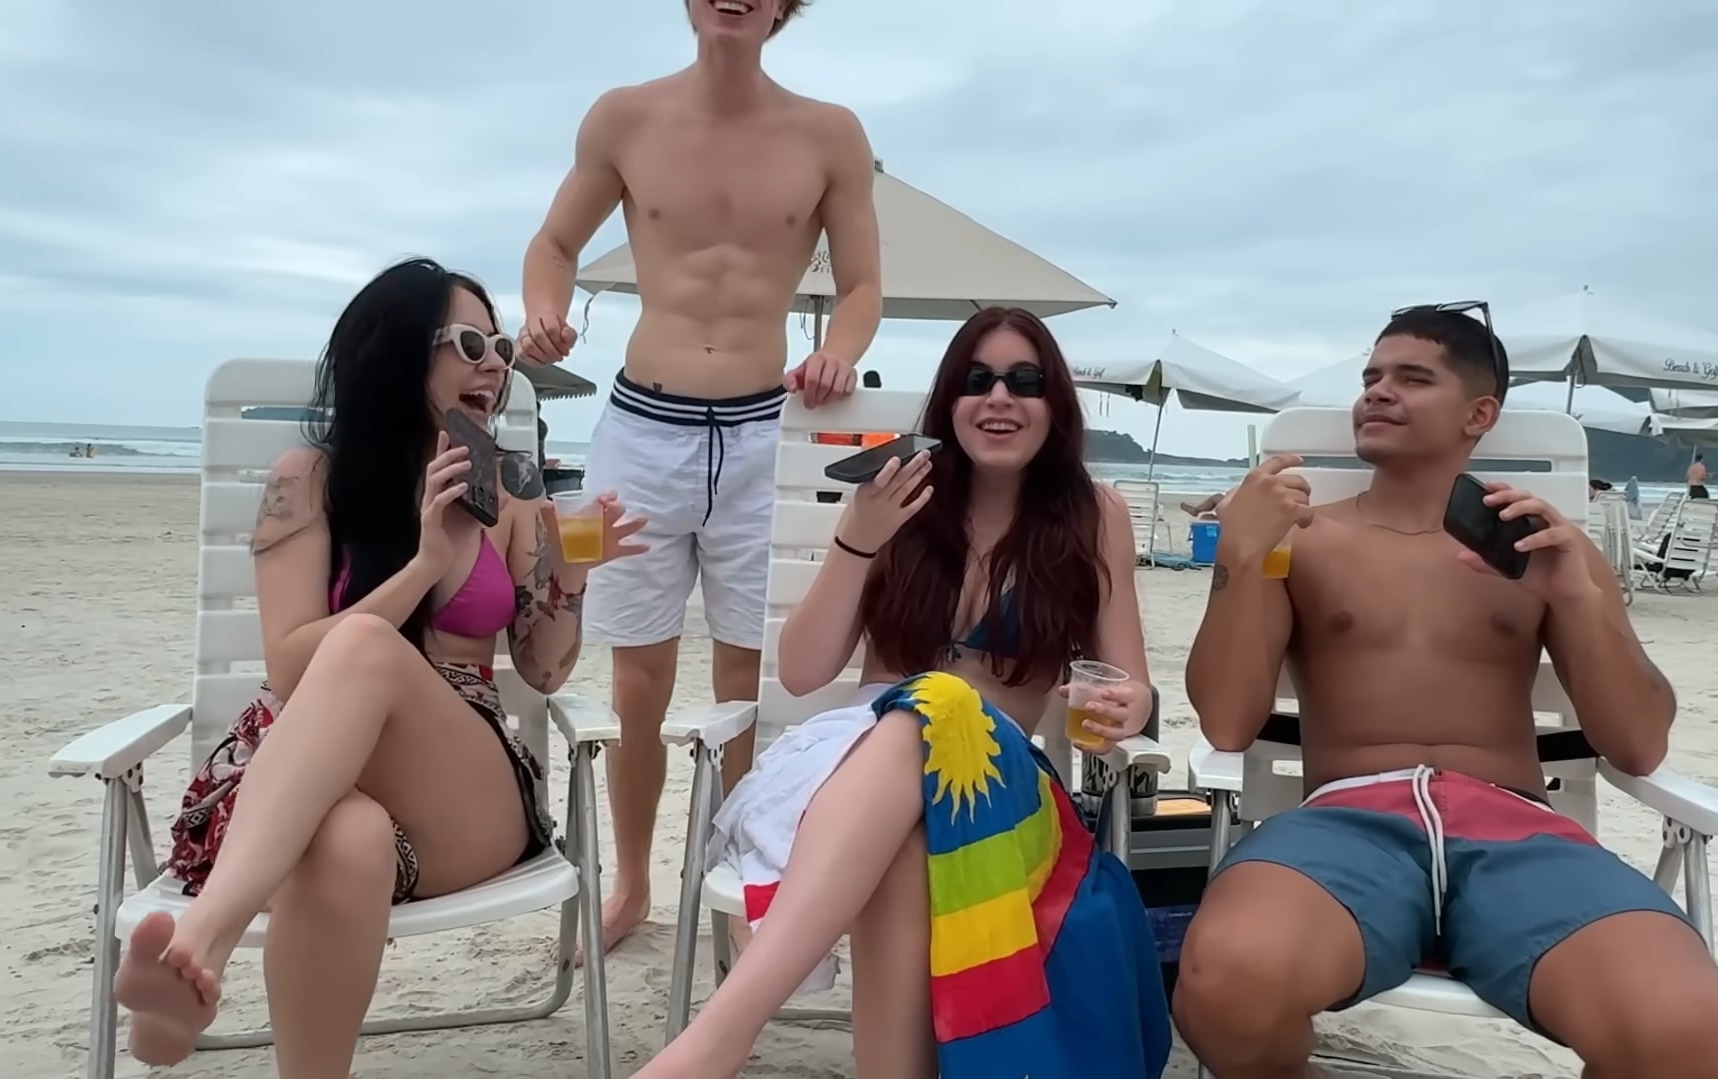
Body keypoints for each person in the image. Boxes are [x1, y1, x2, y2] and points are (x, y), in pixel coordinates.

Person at [1176, 305, 1718, 1078]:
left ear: (1478, 414)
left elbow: (1638, 742)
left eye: (1411, 378)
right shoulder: (1300, 541)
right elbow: (1225, 722)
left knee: (1690, 1030)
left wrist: (1579, 599)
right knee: (1225, 983)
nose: (1376, 391)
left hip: (1517, 832)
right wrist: (1239, 558)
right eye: (1370, 376)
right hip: (1345, 826)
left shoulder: (1543, 545)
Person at [107, 259, 646, 1075]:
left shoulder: (511, 497)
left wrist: (569, 578)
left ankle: (201, 939)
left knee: (363, 644)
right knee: (346, 835)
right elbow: (291, 665)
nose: (496, 366)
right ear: (396, 350)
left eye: (501, 347)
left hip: (460, 794)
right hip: (301, 796)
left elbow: (542, 672)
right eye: (470, 344)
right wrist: (424, 565)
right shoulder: (307, 481)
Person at [639, 308, 1170, 1079]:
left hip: (998, 785)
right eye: (976, 380)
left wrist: (1133, 705)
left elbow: (1130, 679)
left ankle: (719, 1037)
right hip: (857, 770)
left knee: (933, 704)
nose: (998, 397)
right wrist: (858, 536)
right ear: (949, 402)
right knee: (912, 782)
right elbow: (801, 671)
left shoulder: (1094, 516)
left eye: (1023, 380)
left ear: (1053, 402)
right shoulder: (898, 503)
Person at [518, 0, 885, 950]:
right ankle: (633, 883)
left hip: (768, 431)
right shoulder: (622, 117)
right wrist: (544, 307)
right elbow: (553, 243)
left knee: (747, 675)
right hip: (640, 431)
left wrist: (839, 353)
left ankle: (735, 880)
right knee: (636, 676)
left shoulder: (831, 134)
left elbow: (860, 286)